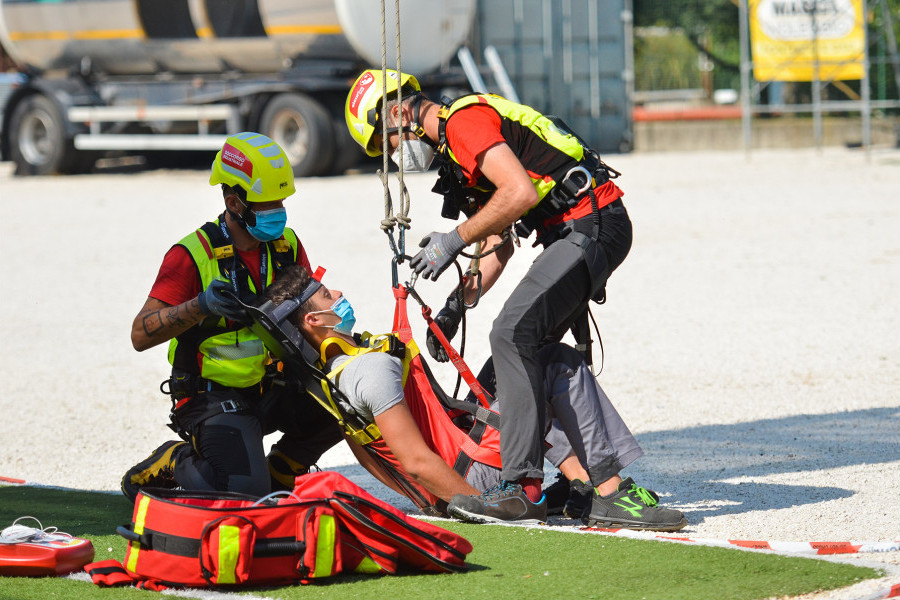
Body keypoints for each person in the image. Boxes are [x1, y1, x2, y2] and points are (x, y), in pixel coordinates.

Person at [344, 70, 634, 523]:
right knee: (509, 370)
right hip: (572, 231)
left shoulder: (464, 122)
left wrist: (453, 239)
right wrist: (455, 305)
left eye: (390, 143)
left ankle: (527, 488)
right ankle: (580, 480)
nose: (397, 156)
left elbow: (518, 192)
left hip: (592, 222)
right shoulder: (453, 152)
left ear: (398, 113)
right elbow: (499, 242)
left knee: (511, 335)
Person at [264, 264, 685, 531]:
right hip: (471, 478)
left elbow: (371, 457)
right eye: (327, 295)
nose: (338, 294)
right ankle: (609, 492)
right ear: (315, 319)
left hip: (460, 464)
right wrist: (483, 506)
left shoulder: (336, 376)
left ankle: (578, 485)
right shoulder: (367, 370)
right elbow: (414, 461)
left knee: (512, 363)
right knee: (552, 361)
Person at [121, 132, 341, 501]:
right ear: (233, 202)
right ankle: (176, 459)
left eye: (281, 202)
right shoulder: (191, 254)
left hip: (273, 384)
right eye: (267, 205)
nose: (278, 211)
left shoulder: (286, 245)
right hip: (212, 395)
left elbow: (309, 313)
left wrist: (340, 331)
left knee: (348, 399)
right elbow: (139, 336)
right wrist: (199, 306)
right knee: (240, 494)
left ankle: (279, 472)